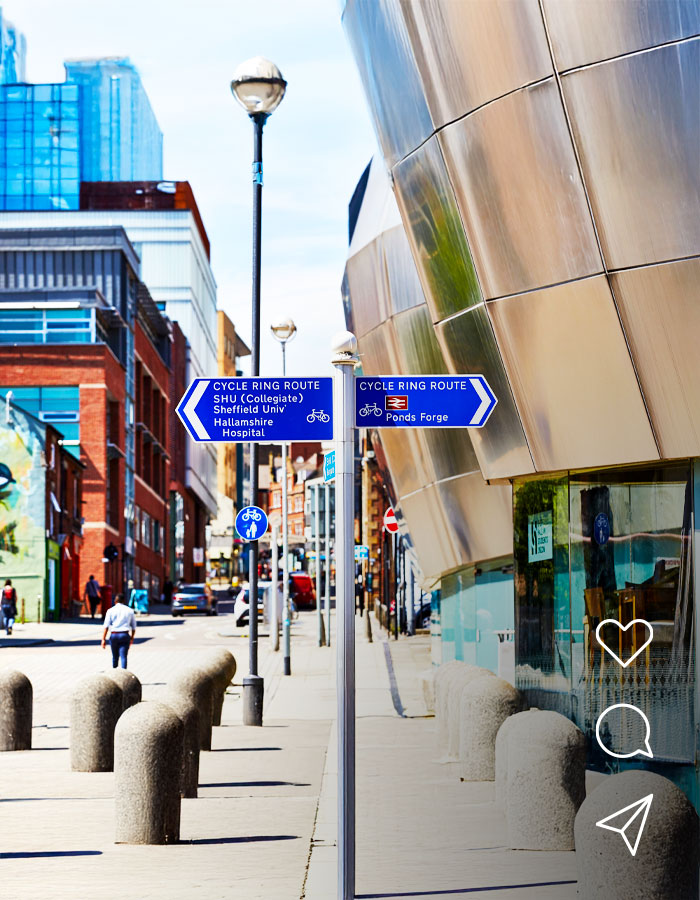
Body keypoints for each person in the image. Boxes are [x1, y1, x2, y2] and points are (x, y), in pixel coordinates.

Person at [101, 593, 136, 669]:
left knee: (115, 656)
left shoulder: (110, 611)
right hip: (124, 634)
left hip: (114, 635)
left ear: (115, 601)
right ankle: (124, 674)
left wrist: (103, 639)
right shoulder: (129, 610)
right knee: (124, 656)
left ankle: (114, 672)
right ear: (124, 601)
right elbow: (133, 627)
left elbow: (106, 626)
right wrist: (132, 638)